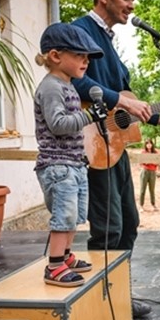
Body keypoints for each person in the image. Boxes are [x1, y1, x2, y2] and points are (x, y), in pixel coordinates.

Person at [71, 0, 160, 316]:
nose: (132, 5)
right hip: (92, 146)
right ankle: (98, 302)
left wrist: (159, 118)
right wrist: (122, 102)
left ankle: (117, 293)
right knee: (107, 228)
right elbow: (73, 82)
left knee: (129, 223)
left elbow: (124, 103)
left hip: (114, 149)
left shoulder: (109, 42)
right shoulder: (79, 32)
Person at [33, 23, 104, 287]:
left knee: (74, 215)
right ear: (55, 56)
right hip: (57, 165)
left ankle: (65, 257)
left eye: (87, 57)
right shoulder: (52, 87)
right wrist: (88, 116)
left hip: (74, 163)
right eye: (79, 55)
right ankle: (54, 267)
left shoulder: (68, 86)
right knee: (63, 216)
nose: (85, 61)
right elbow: (58, 124)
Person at [139, 139, 159, 212]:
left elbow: (157, 162)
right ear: (145, 145)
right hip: (145, 171)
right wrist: (148, 162)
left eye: (150, 143)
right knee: (142, 189)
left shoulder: (155, 152)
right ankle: (141, 205)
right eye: (147, 144)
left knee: (152, 189)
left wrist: (150, 162)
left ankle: (153, 204)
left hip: (153, 172)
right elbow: (141, 162)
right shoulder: (143, 152)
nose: (149, 145)